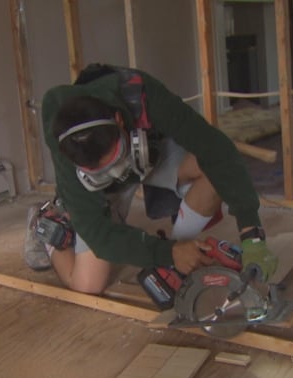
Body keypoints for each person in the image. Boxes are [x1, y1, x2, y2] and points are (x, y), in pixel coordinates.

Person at [24, 64, 278, 294]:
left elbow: (218, 151)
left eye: (112, 161)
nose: (115, 174)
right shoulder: (66, 146)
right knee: (88, 283)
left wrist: (251, 233)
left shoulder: (143, 97)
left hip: (148, 155)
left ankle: (179, 252)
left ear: (119, 120)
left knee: (212, 169)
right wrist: (165, 253)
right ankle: (46, 224)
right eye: (99, 169)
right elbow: (100, 236)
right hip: (99, 190)